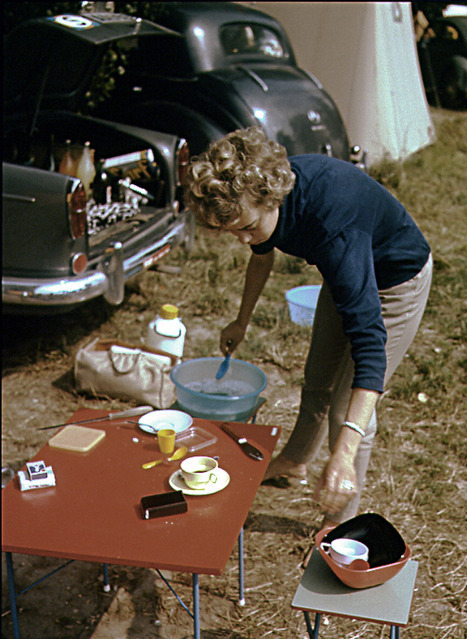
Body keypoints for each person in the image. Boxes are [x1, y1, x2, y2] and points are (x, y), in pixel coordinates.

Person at [185, 127, 432, 535]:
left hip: (395, 281)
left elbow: (371, 348)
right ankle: (296, 460)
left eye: (247, 227)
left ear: (270, 199)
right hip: (346, 273)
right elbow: (261, 257)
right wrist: (241, 321)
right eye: (234, 232)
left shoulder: (333, 229)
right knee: (317, 378)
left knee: (343, 410)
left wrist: (344, 453)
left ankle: (339, 518)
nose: (244, 239)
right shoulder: (258, 197)